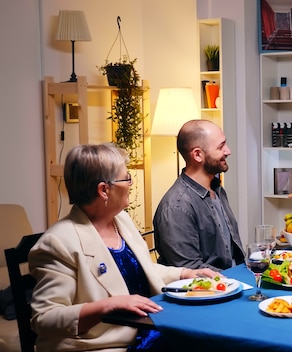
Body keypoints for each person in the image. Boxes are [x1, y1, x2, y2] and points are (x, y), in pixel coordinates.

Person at [29, 143, 222, 352]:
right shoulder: (59, 242)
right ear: (103, 190)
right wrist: (107, 305)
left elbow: (138, 269)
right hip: (109, 345)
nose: (131, 183)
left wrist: (185, 274)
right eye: (126, 178)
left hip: (149, 330)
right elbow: (44, 318)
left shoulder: (120, 219)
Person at [154, 119, 244, 271]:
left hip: (234, 282)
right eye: (221, 147)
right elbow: (190, 270)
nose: (228, 151)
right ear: (197, 155)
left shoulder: (217, 189)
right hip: (209, 290)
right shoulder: (177, 207)